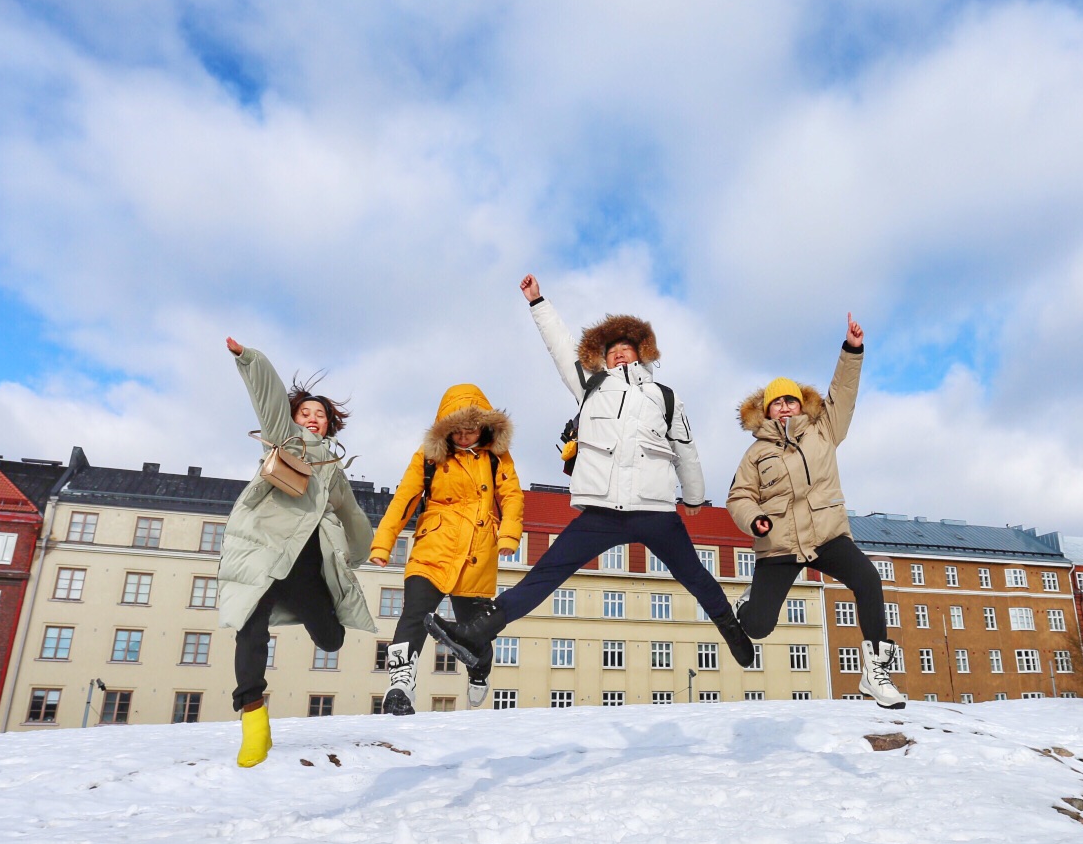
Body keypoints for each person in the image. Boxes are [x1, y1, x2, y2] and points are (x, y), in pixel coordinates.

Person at [430, 275, 755, 670]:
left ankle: (732, 630)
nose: (619, 354)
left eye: (626, 349)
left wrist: (691, 497)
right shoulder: (592, 385)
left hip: (654, 510)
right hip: (602, 509)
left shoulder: (665, 397)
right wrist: (538, 303)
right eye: (612, 350)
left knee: (696, 576)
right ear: (604, 358)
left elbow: (685, 449)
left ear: (642, 354)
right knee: (547, 571)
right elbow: (561, 348)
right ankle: (479, 632)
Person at [727, 314, 904, 708]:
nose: (785, 407)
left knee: (868, 579)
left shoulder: (824, 431)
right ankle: (749, 603)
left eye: (791, 400)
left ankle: (876, 671)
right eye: (777, 403)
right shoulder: (756, 453)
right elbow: (738, 496)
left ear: (800, 403)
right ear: (768, 412)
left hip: (827, 535)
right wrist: (754, 519)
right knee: (757, 627)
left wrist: (852, 351)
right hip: (779, 544)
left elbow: (843, 393)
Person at [219, 337, 375, 766]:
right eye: (305, 412)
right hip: (265, 556)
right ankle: (254, 720)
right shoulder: (281, 439)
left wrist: (363, 553)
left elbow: (353, 516)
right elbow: (267, 396)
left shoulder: (333, 471)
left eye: (319, 415)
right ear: (293, 418)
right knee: (249, 631)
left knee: (331, 640)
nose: (311, 419)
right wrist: (250, 360)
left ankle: (315, 609)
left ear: (329, 426)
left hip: (305, 567)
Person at [367, 383, 525, 714]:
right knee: (413, 614)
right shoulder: (428, 457)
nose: (465, 437)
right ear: (446, 429)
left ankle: (479, 670)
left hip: (477, 551)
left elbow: (511, 496)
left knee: (475, 628)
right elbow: (403, 501)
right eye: (458, 431)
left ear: (484, 426)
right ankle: (400, 682)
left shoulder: (496, 457)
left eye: (472, 430)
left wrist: (510, 534)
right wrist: (383, 542)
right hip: (433, 546)